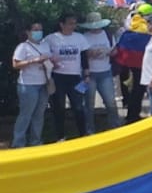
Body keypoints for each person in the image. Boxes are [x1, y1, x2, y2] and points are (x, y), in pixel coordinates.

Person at [45, 11, 89, 140]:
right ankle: (60, 136)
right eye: (70, 24)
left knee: (78, 107)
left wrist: (86, 73)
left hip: (75, 77)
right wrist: (51, 63)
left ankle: (83, 134)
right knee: (59, 107)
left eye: (74, 24)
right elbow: (43, 55)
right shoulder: (51, 38)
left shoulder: (79, 38)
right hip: (58, 77)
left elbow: (84, 57)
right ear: (61, 24)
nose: (73, 26)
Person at [11, 21, 50, 148]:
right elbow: (16, 64)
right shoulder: (23, 47)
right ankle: (18, 143)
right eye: (35, 29)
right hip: (28, 85)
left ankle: (35, 141)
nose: (38, 32)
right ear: (28, 32)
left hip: (43, 83)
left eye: (40, 29)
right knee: (26, 115)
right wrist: (33, 61)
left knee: (39, 115)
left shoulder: (45, 45)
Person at [80, 12, 119, 132]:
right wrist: (91, 53)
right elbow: (82, 54)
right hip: (89, 73)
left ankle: (115, 126)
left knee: (110, 101)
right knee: (89, 104)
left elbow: (115, 50)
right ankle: (89, 129)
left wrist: (109, 52)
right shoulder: (84, 37)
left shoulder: (107, 35)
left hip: (105, 71)